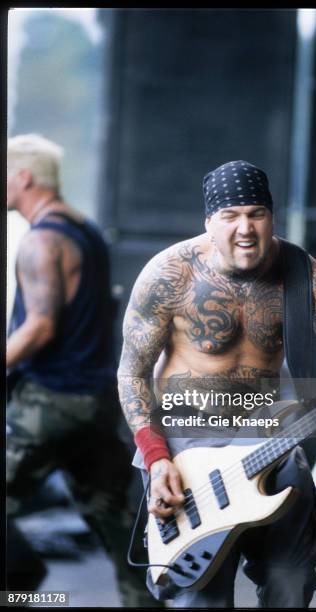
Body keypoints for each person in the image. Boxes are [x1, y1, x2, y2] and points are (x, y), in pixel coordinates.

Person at [117, 159, 316, 608]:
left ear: (271, 217)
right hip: (187, 441)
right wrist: (154, 457)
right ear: (209, 222)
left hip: (270, 436)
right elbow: (132, 372)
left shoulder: (303, 274)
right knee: (199, 597)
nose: (244, 228)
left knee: (293, 580)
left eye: (256, 214)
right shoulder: (170, 274)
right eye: (230, 216)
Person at [6, 133, 159, 607]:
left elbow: (40, 327)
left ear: (24, 178)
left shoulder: (40, 241)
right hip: (95, 404)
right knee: (116, 520)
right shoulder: (86, 231)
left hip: (51, 403)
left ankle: (20, 580)